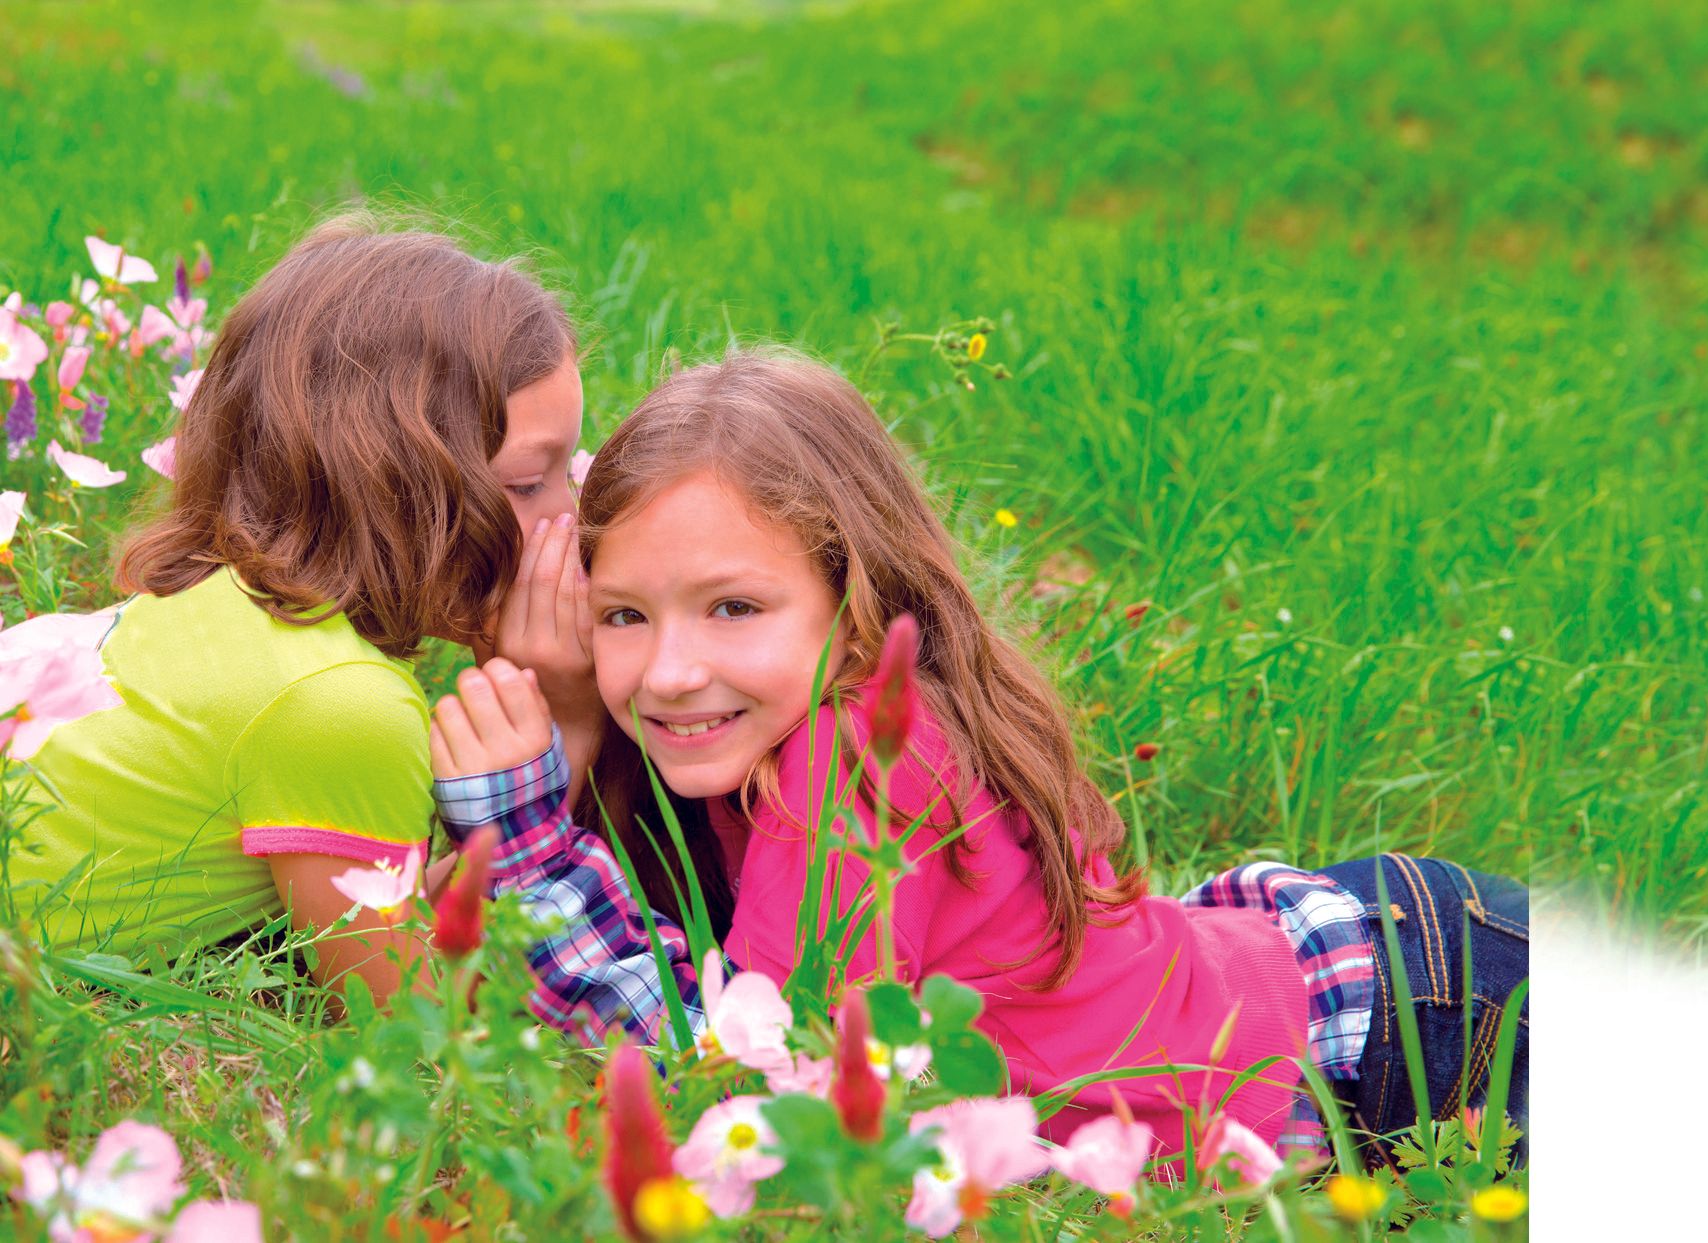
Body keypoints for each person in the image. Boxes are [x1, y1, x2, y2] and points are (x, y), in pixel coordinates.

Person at [429, 350, 1528, 1163]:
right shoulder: (773, 738)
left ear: (856, 606)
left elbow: (763, 1092)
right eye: (622, 616)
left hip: (1412, 1023)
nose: (667, 672)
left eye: (732, 606)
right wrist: (572, 714)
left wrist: (522, 849)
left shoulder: (853, 766)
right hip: (1358, 962)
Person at [6, 213, 591, 1005]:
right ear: (398, 484)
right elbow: (409, 1019)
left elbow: (400, 910)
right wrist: (569, 724)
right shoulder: (338, 705)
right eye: (530, 483)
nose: (570, 517)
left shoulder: (230, 599)